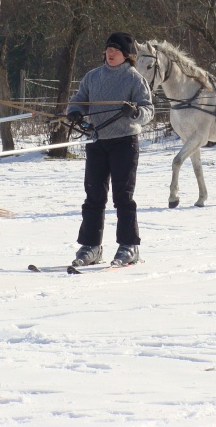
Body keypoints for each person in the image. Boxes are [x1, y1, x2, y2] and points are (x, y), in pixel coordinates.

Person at [66, 31, 154, 267]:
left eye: (116, 50)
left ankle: (129, 246)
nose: (111, 53)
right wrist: (74, 111)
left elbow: (148, 111)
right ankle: (91, 247)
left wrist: (134, 112)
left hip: (125, 142)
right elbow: (79, 99)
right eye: (109, 49)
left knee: (122, 197)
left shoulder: (135, 79)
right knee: (94, 196)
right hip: (97, 142)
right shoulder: (93, 77)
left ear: (126, 55)